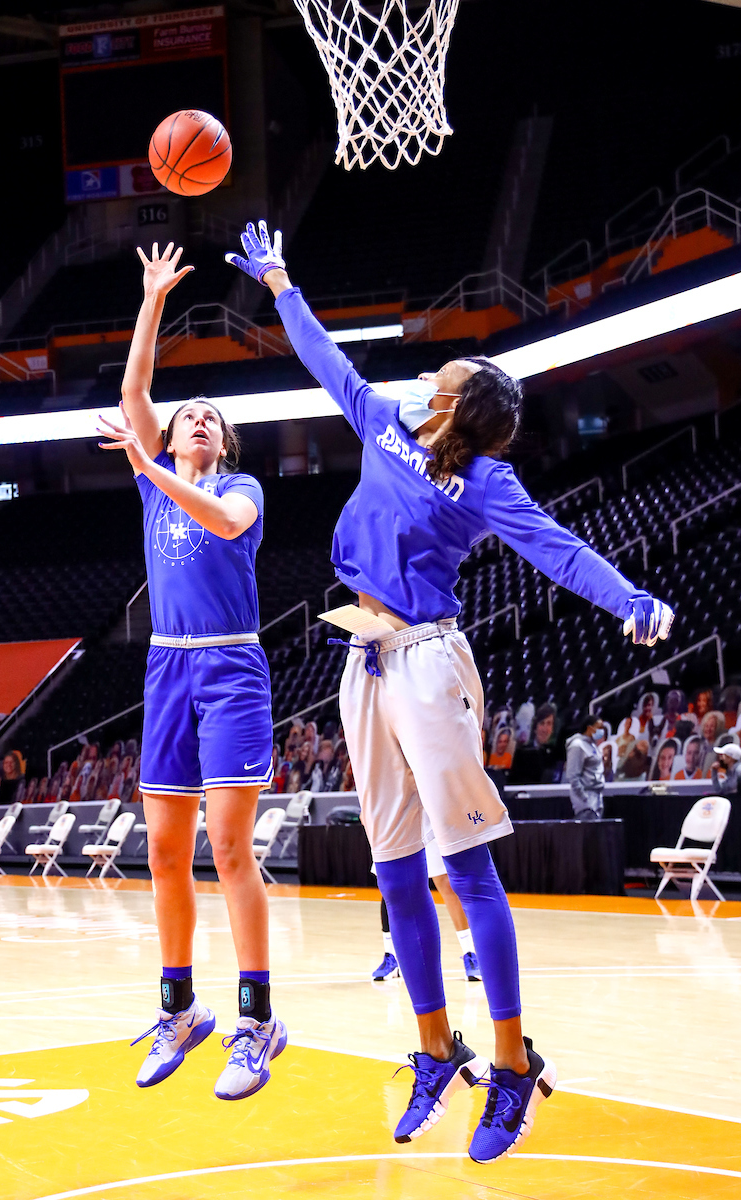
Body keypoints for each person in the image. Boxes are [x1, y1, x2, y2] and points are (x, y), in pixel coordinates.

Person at [226, 221, 675, 1163]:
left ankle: (512, 1065)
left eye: (452, 371)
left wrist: (631, 599)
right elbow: (325, 361)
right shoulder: (385, 421)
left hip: (430, 661)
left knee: (464, 868)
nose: (436, 371)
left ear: (462, 405)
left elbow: (558, 549)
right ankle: (438, 1051)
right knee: (395, 870)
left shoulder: (486, 478)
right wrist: (280, 284)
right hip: (362, 659)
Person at [98, 240, 284, 1101]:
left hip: (231, 667)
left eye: (212, 416)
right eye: (189, 416)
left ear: (223, 442)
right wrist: (152, 300)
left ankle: (257, 1019)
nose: (200, 420)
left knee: (231, 848)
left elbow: (217, 522)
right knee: (166, 853)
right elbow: (135, 391)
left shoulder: (241, 491)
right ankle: (180, 1009)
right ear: (169, 436)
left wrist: (147, 465)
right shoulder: (153, 475)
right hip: (167, 670)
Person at [374, 827, 481, 983]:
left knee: (446, 882)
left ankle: (470, 953)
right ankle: (390, 957)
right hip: (396, 822)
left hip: (430, 820)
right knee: (391, 886)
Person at [565, 716, 606, 820]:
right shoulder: (577, 745)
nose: (602, 731)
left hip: (597, 795)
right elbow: (572, 775)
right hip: (586, 796)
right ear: (590, 728)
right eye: (599, 727)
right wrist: (583, 797)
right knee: (587, 827)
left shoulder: (593, 746)